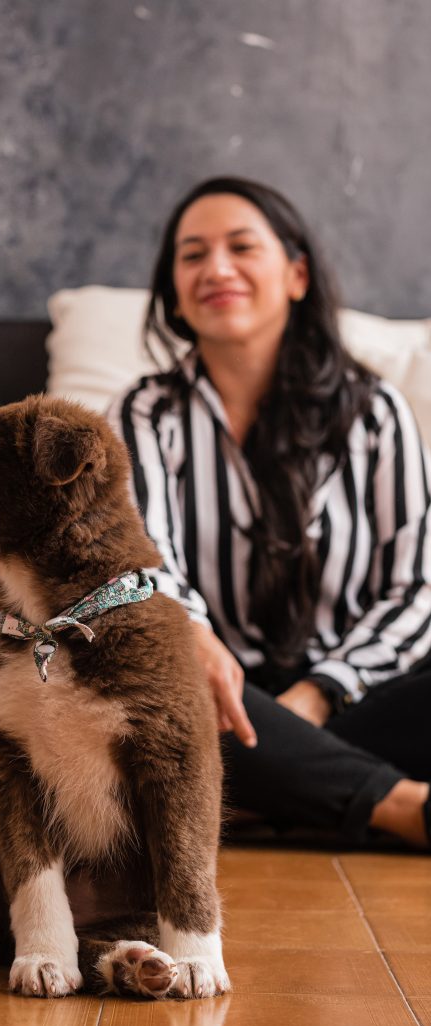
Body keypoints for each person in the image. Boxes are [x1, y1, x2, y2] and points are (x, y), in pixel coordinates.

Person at [108, 176, 431, 849]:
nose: (216, 269)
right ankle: (401, 806)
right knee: (130, 667)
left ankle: (249, 798)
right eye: (191, 255)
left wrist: (317, 695)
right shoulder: (143, 414)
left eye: (240, 247)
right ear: (172, 292)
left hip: (348, 692)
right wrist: (191, 638)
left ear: (296, 274)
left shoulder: (373, 412)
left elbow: (415, 588)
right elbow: (146, 564)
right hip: (207, 698)